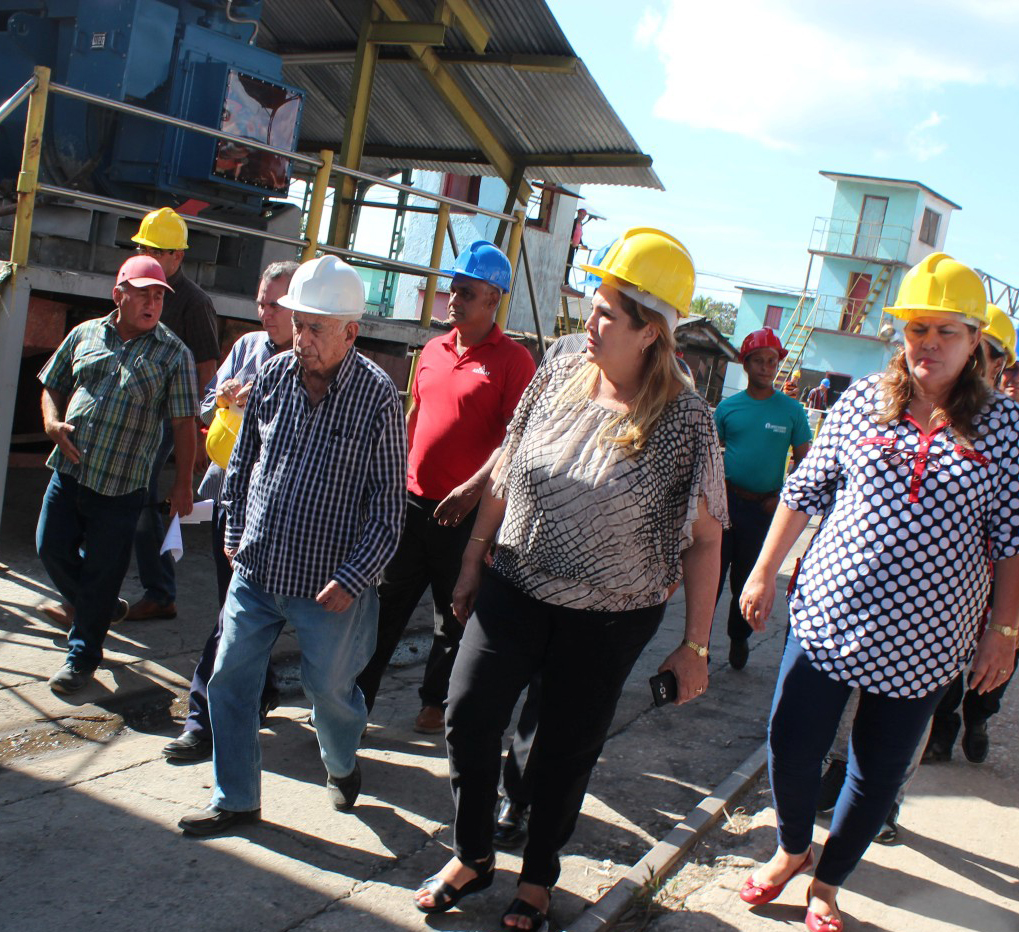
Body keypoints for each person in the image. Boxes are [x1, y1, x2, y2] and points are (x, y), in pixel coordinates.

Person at [411, 228, 727, 932]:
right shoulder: (556, 368)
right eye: (592, 304)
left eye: (608, 311)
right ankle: (470, 856)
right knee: (467, 715)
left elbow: (706, 539)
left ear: (650, 330)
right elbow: (508, 461)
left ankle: (537, 882)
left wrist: (695, 645)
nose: (589, 321)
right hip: (513, 585)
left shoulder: (685, 422)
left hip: (607, 618)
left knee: (560, 751)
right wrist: (471, 562)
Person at [736, 253, 1019, 932]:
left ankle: (828, 884)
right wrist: (759, 570)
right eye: (915, 328)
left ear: (974, 338)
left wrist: (1003, 631)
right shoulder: (863, 400)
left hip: (925, 638)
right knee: (790, 741)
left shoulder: (1004, 428)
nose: (926, 343)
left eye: (944, 331)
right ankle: (791, 848)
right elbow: (803, 492)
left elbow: (1012, 538)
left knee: (878, 771)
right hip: (829, 615)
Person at [177, 256, 407, 836]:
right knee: (229, 676)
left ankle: (341, 763)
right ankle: (236, 800)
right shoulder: (274, 375)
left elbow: (386, 508)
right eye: (298, 323)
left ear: (350, 332)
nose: (301, 338)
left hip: (330, 586)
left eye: (315, 328)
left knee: (328, 691)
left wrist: (354, 578)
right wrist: (232, 532)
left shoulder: (378, 398)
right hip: (257, 568)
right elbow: (245, 462)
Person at [356, 240, 535, 734]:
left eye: (466, 293)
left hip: (467, 517)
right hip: (411, 505)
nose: (453, 299)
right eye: (452, 289)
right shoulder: (433, 349)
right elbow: (415, 415)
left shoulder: (514, 362)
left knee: (453, 615)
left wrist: (474, 491)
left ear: (493, 299)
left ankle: (435, 700)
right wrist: (390, 475)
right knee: (383, 608)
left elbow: (516, 441)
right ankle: (354, 703)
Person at [36, 256, 198, 694]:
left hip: (122, 486)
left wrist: (182, 483)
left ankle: (82, 656)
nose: (152, 302)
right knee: (49, 546)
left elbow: (184, 423)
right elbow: (53, 383)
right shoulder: (85, 334)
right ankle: (100, 603)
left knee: (104, 571)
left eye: (159, 295)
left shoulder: (173, 354)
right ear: (118, 294)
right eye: (143, 293)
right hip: (68, 472)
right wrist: (51, 424)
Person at [162, 260, 298, 762]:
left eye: (276, 305)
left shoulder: (313, 364)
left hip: (279, 511)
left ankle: (203, 718)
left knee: (234, 617)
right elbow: (202, 406)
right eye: (262, 303)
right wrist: (219, 399)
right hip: (230, 499)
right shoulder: (245, 348)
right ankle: (260, 690)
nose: (266, 313)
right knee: (233, 610)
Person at [923, 302, 1019, 764]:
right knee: (943, 650)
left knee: (997, 652)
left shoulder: (1008, 425)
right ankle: (941, 725)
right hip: (958, 571)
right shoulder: (937, 411)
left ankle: (980, 714)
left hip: (1009, 564)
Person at [125, 207, 222, 623]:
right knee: (129, 498)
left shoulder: (194, 304)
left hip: (168, 420)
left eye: (155, 250)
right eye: (143, 247)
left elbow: (207, 374)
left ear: (177, 256)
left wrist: (200, 435)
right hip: (135, 414)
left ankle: (159, 591)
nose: (146, 254)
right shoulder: (136, 286)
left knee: (140, 499)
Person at [714, 328, 811, 670]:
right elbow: (710, 456)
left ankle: (738, 638)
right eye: (759, 361)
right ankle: (694, 642)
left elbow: (807, 464)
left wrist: (781, 498)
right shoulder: (728, 409)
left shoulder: (791, 412)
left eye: (772, 361)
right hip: (724, 505)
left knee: (746, 579)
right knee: (710, 575)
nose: (767, 367)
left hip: (764, 510)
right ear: (746, 363)